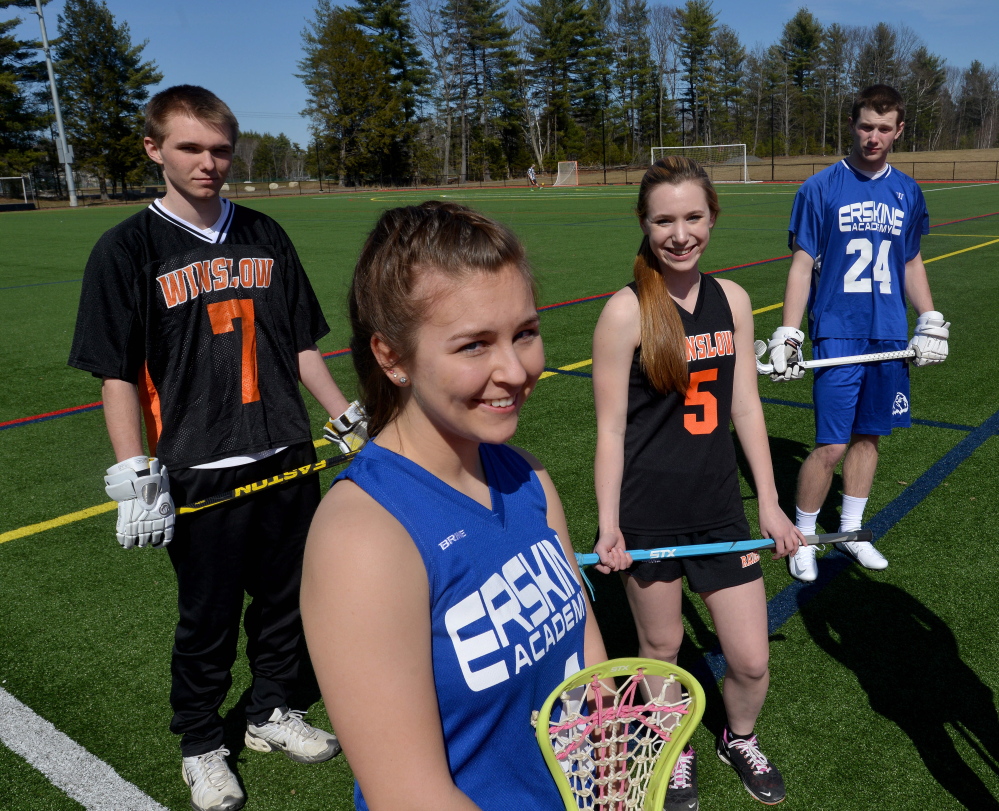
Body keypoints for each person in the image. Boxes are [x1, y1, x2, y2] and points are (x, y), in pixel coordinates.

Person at [67, 85, 367, 811]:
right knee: (206, 617)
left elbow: (298, 344)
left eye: (220, 149)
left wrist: (343, 414)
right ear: (154, 149)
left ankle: (269, 710)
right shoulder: (127, 248)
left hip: (286, 452)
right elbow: (115, 373)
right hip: (199, 466)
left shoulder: (264, 231)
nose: (209, 163)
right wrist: (134, 470)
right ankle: (201, 742)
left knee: (285, 602)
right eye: (191, 148)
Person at [300, 201, 609, 811]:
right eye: (474, 345)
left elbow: (585, 669)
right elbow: (410, 797)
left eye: (524, 332)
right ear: (392, 358)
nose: (516, 370)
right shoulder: (363, 538)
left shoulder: (528, 478)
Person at [592, 157, 803, 808]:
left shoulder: (733, 300)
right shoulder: (623, 313)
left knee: (748, 658)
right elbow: (609, 432)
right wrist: (608, 523)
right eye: (663, 220)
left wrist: (768, 501)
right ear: (644, 224)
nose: (679, 233)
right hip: (648, 511)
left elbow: (744, 405)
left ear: (711, 216)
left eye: (692, 217)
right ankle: (670, 744)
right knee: (661, 646)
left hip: (718, 509)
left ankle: (736, 736)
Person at [768, 84, 949, 583]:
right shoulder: (820, 188)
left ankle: (850, 532)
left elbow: (910, 258)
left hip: (889, 332)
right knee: (830, 445)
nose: (874, 137)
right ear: (852, 124)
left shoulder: (907, 191)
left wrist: (929, 316)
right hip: (838, 332)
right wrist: (789, 330)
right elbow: (802, 265)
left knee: (869, 438)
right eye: (866, 126)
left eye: (884, 128)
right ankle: (803, 537)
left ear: (899, 130)